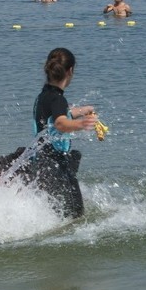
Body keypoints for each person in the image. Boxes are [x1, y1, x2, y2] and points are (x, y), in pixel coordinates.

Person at [31, 47, 97, 217]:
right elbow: (60, 123)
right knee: (76, 213)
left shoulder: (45, 95)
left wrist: (82, 110)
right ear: (70, 71)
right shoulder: (58, 98)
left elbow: (58, 116)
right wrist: (82, 124)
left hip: (42, 160)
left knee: (59, 212)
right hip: (54, 164)